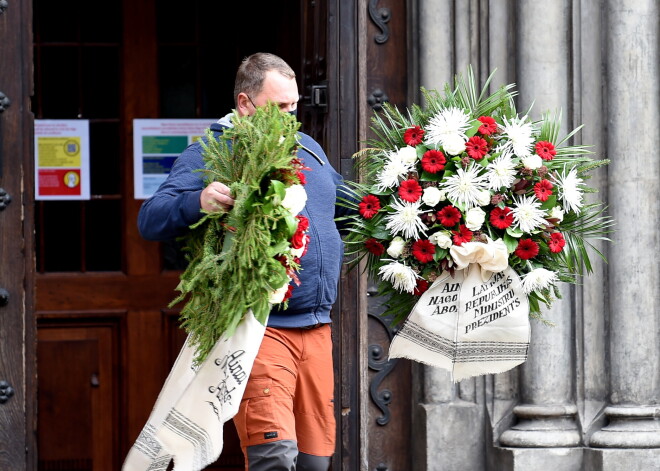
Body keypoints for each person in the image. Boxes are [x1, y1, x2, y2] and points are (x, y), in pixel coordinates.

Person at [138, 52, 347, 471]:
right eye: (280, 107)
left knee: (314, 464)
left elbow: (343, 207)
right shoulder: (214, 151)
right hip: (259, 329)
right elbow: (151, 218)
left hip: (317, 328)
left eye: (295, 106)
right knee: (274, 458)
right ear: (245, 103)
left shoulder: (309, 148)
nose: (291, 117)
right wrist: (199, 200)